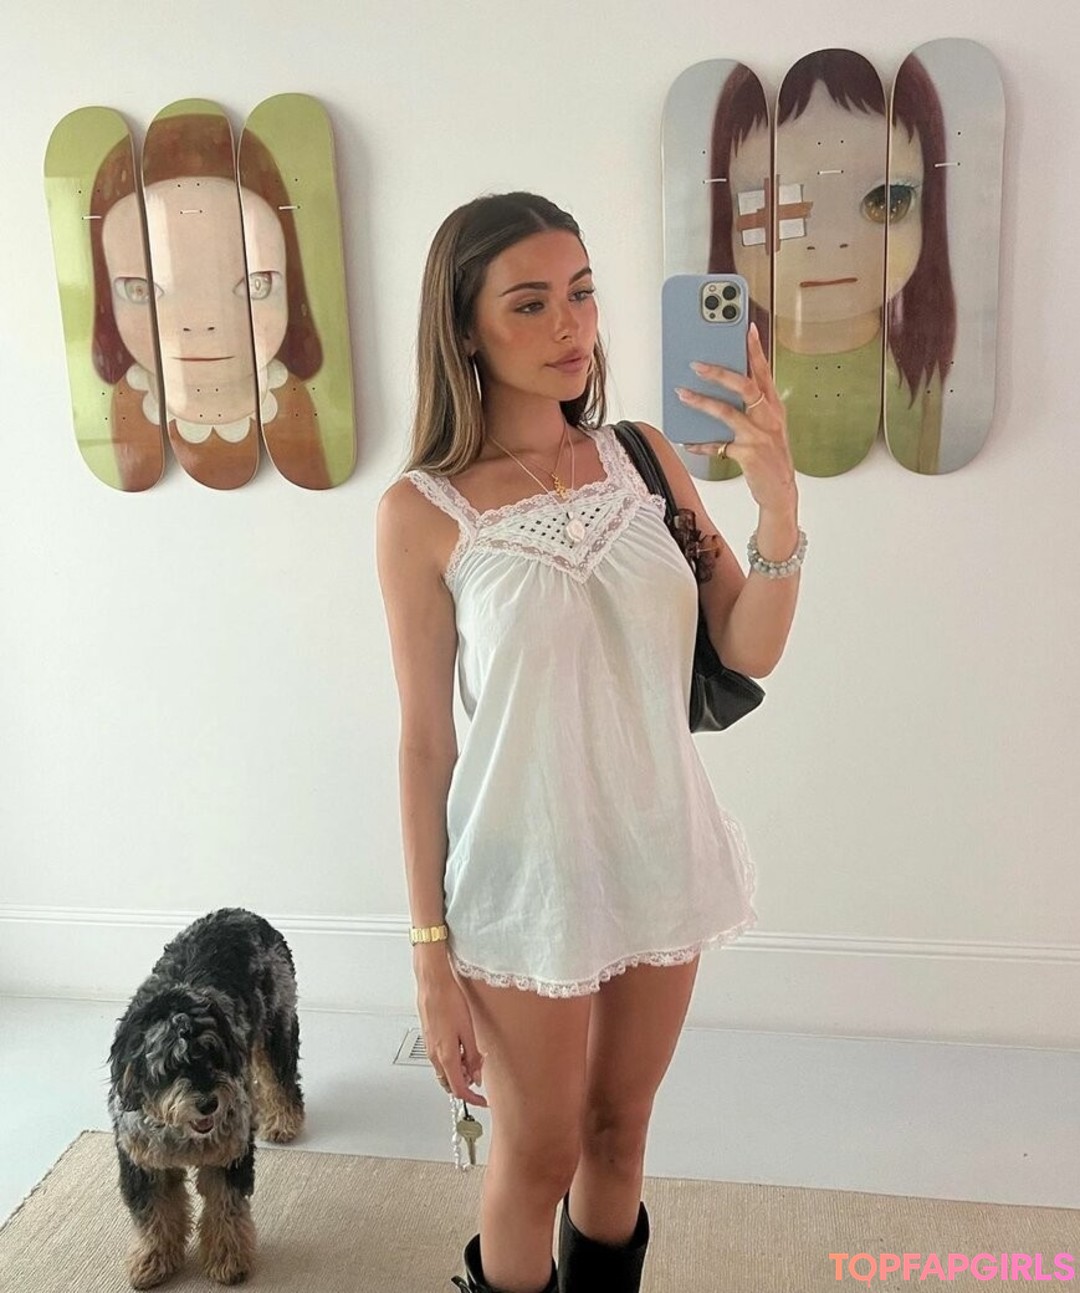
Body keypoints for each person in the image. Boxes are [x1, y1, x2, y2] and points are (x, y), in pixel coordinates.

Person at [375, 192, 804, 1293]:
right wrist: (428, 949)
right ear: (466, 330)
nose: (570, 326)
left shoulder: (644, 459)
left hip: (660, 850)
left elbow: (747, 645)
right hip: (523, 876)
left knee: (620, 1131)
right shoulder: (424, 511)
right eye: (530, 303)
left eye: (582, 293)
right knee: (537, 1153)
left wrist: (777, 509)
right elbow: (425, 744)